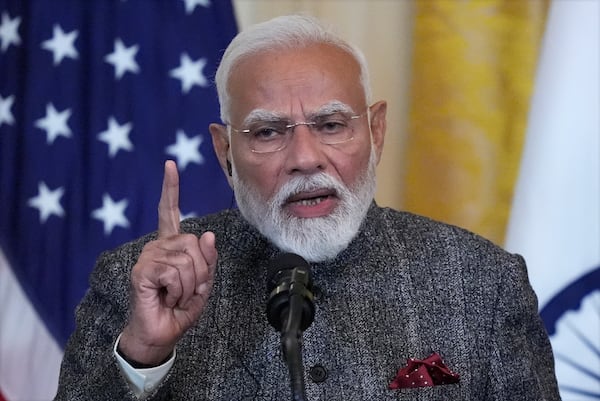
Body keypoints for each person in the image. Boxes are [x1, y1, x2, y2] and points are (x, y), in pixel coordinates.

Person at [54, 14, 560, 401]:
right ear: (225, 152)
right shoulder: (137, 282)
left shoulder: (481, 281)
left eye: (332, 124)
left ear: (375, 131)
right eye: (268, 132)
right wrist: (144, 354)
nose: (305, 159)